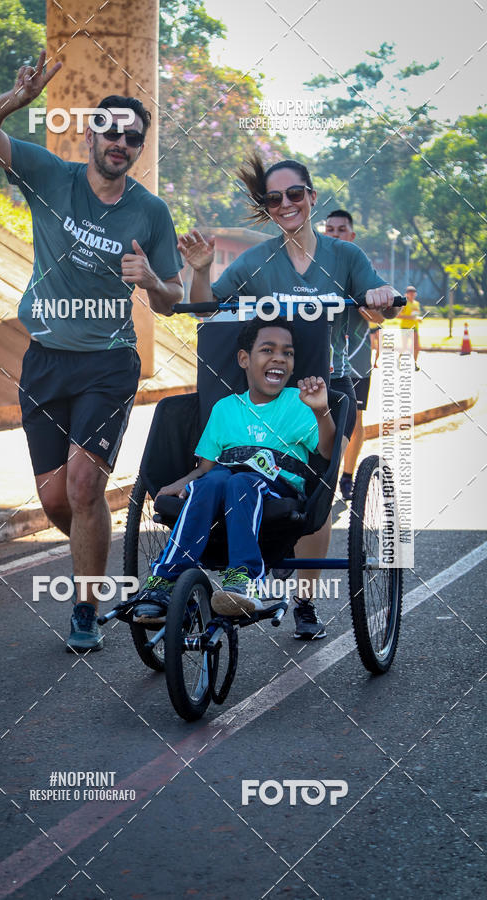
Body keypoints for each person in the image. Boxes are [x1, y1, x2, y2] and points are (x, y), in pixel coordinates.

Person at [0, 51, 184, 652]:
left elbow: (172, 299)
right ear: (91, 134)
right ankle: (95, 554)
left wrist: (152, 281)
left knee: (85, 487)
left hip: (108, 362)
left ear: (138, 149)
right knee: (57, 499)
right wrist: (17, 100)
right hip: (45, 360)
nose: (120, 143)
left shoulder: (150, 212)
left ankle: (85, 608)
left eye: (132, 138)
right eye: (111, 131)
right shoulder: (49, 175)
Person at [177, 152, 397, 636]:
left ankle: (305, 600)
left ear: (311, 197)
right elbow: (208, 310)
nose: (285, 204)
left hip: (325, 389)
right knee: (246, 474)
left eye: (294, 194)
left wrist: (382, 297)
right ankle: (242, 562)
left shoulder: (346, 257)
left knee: (316, 492)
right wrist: (201, 270)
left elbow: (381, 304)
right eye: (274, 199)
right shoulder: (258, 260)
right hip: (271, 389)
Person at [133, 317, 336, 637]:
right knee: (209, 483)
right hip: (225, 478)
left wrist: (321, 411)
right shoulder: (225, 408)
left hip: (276, 486)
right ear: (244, 359)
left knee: (242, 482)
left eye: (287, 353)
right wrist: (180, 483)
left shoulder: (299, 403)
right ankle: (164, 580)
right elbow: (205, 467)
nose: (279, 358)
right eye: (267, 350)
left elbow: (327, 452)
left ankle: (243, 578)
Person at [325, 209, 384, 502]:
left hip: (356, 357)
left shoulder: (360, 268)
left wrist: (366, 307)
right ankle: (326, 476)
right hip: (324, 357)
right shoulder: (316, 267)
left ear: (352, 234)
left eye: (341, 230)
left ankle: (348, 476)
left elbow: (381, 316)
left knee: (356, 418)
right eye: (330, 229)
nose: (335, 234)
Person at [399, 285, 421, 370]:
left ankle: (414, 364)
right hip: (405, 327)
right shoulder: (404, 303)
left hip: (415, 327)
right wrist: (410, 317)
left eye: (413, 293)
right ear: (406, 294)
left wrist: (418, 319)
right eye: (410, 293)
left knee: (416, 347)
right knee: (405, 347)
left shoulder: (416, 303)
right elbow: (398, 316)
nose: (412, 294)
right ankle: (399, 360)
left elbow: (416, 315)